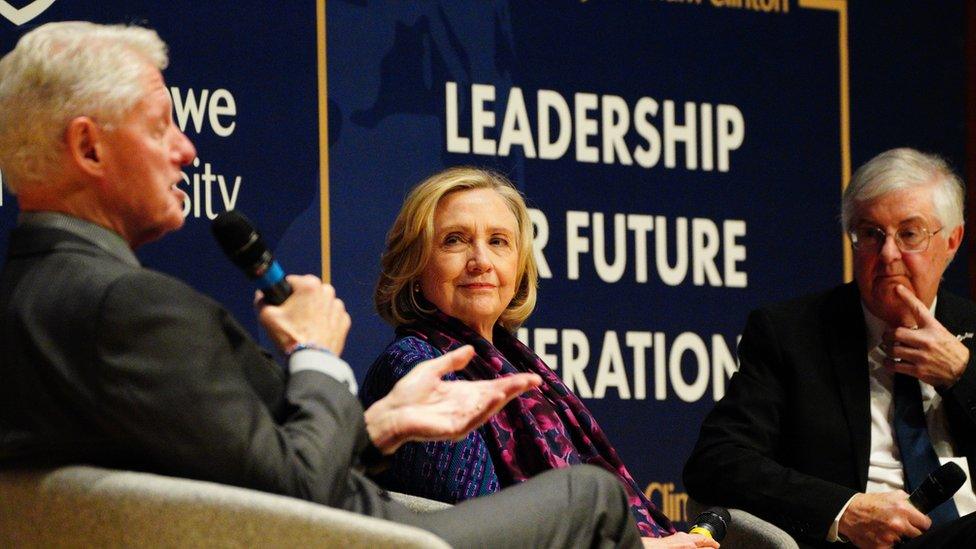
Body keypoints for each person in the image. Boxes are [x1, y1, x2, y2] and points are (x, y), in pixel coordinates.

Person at [0, 21, 648, 548]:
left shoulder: (32, 297)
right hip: (355, 535)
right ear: (89, 149)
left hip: (321, 522)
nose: (187, 148)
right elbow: (296, 490)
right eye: (160, 125)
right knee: (591, 495)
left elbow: (245, 462)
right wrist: (313, 352)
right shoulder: (129, 308)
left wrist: (379, 426)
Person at [361, 167, 717, 548]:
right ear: (415, 266)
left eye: (498, 241)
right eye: (454, 240)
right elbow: (479, 528)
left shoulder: (522, 366)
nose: (480, 260)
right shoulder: (416, 365)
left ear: (519, 265)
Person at [684, 148, 976, 548]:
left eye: (909, 234)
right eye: (871, 234)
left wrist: (963, 376)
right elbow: (716, 462)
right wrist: (844, 509)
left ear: (952, 241)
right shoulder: (792, 334)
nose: (888, 254)